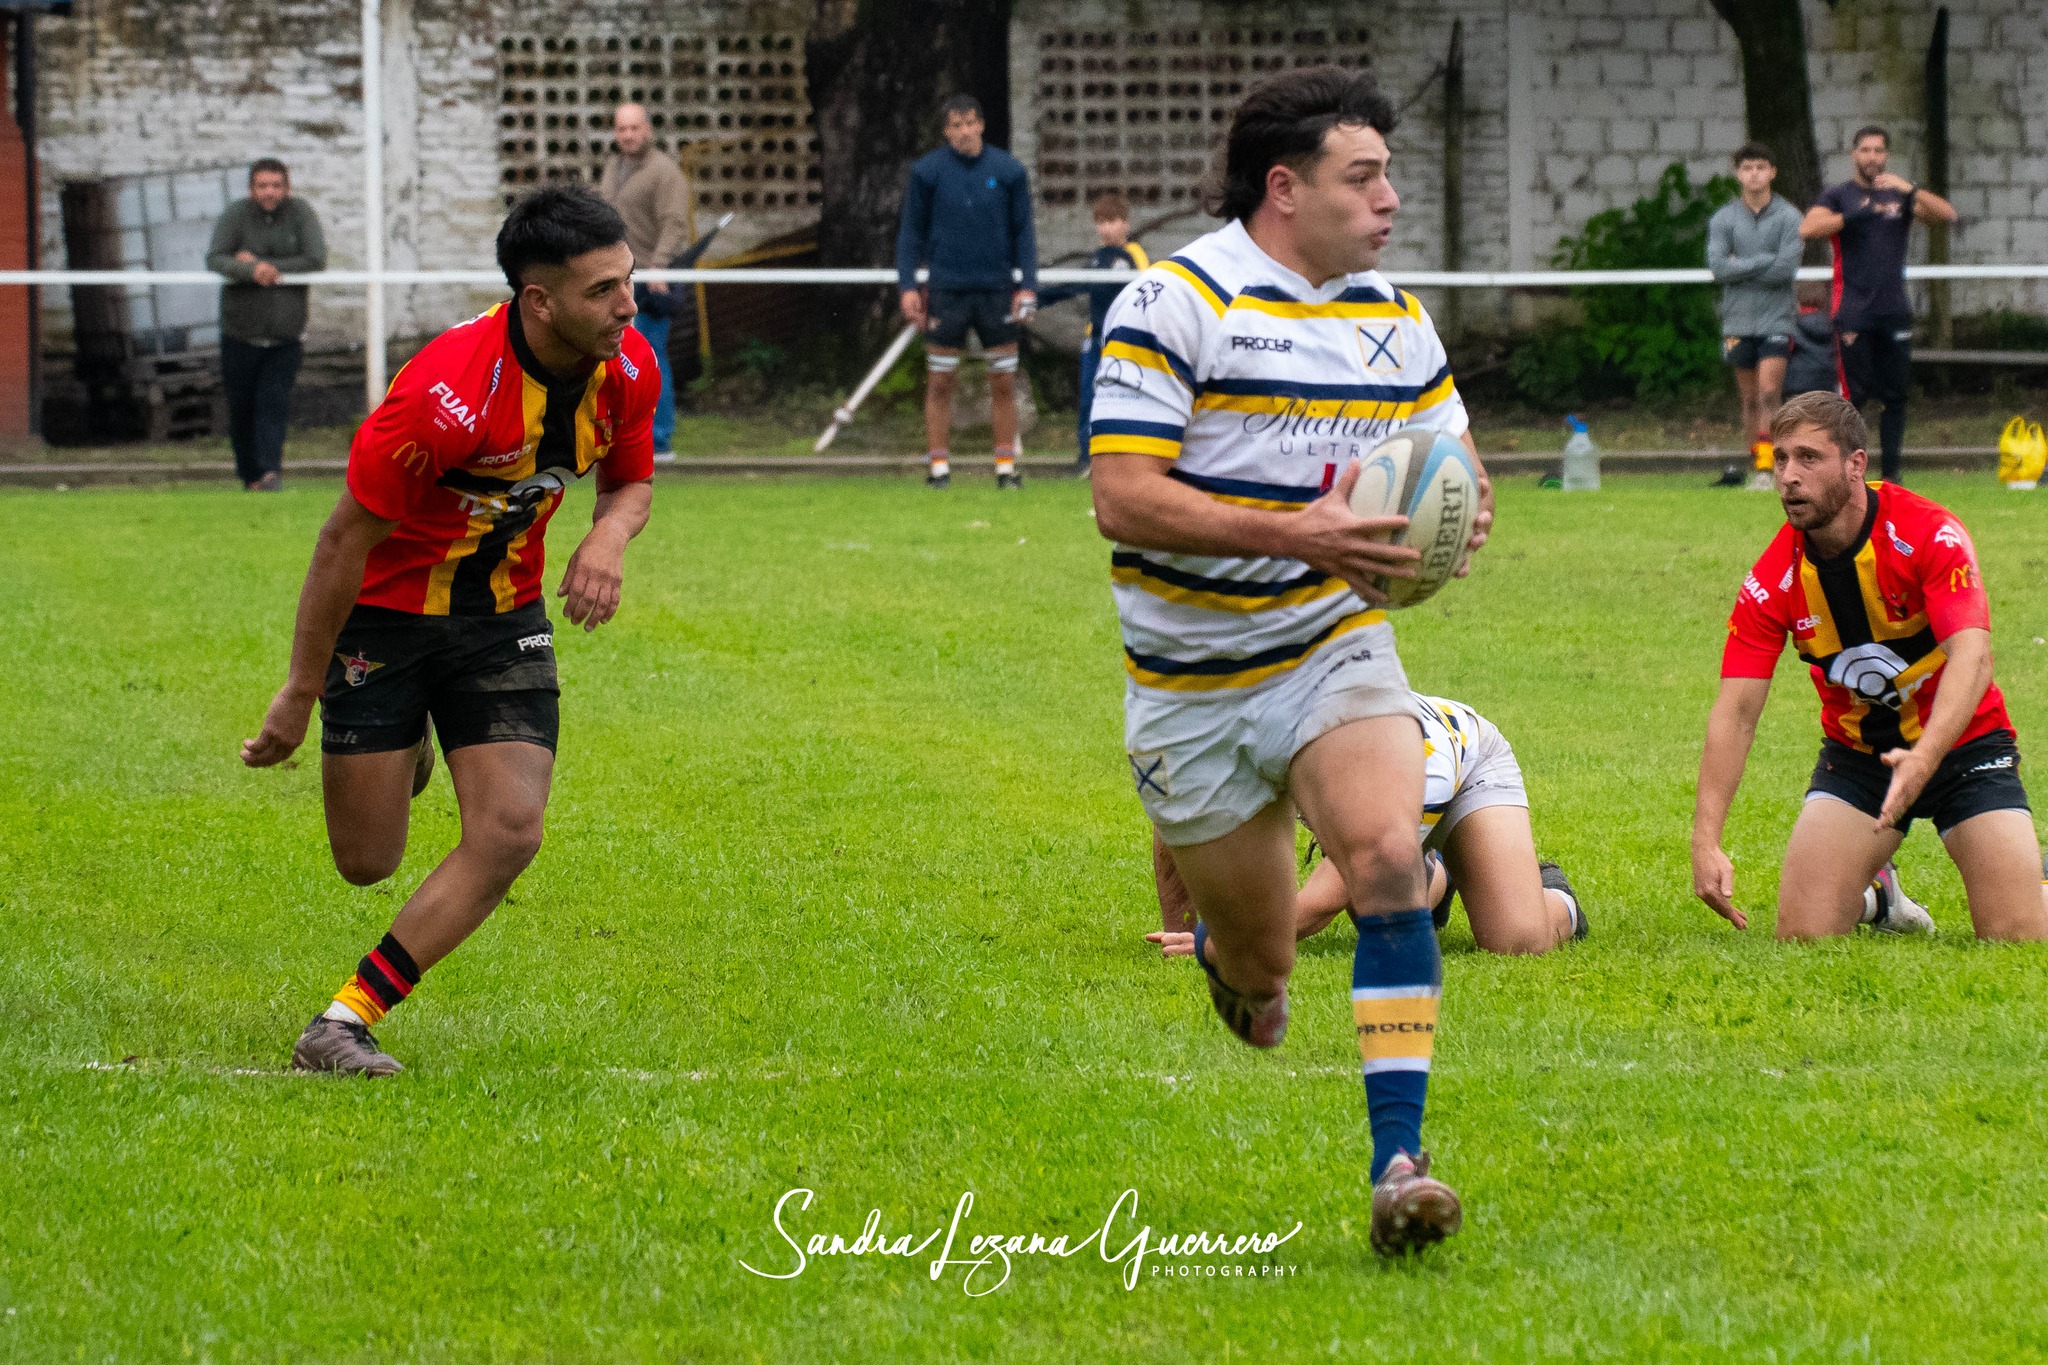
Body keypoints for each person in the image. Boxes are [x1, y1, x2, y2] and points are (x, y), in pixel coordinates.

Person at [1087, 65, 1493, 1255]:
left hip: (1329, 642)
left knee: (1381, 857)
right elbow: (1121, 497)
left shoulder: (1390, 315)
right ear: (1284, 188)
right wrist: (1295, 529)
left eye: (1386, 175)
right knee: (1266, 971)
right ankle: (1237, 963)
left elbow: (1452, 465)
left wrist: (1456, 526)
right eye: (1362, 177)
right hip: (1188, 687)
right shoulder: (1173, 304)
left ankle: (1397, 1162)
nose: (1389, 200)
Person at [240, 187, 659, 1075]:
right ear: (537, 301)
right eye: (604, 291)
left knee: (510, 830)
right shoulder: (443, 396)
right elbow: (341, 540)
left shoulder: (627, 369)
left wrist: (608, 536)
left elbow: (630, 484)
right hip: (386, 623)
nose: (629, 305)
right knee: (366, 859)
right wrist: (300, 690)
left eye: (629, 281)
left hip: (503, 619)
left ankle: (343, 1020)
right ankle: (409, 739)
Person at [1692, 391, 2048, 943]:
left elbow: (1973, 658)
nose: (1789, 476)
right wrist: (1705, 840)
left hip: (1965, 747)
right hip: (1860, 758)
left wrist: (1925, 756)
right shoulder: (1772, 581)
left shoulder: (1929, 531)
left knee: (2016, 934)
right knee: (1804, 935)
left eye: (1809, 458)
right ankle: (1879, 897)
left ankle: (2029, 878)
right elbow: (1736, 710)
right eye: (1781, 458)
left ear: (1856, 463)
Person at [1145, 692, 1587, 959]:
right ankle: (1436, 876)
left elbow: (1319, 902)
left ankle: (1554, 894)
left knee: (1515, 941)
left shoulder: (1403, 765)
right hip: (1378, 797)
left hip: (1467, 760)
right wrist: (1184, 931)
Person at [895, 94, 1038, 490]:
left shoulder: (1008, 170)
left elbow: (1024, 231)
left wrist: (1028, 285)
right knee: (941, 381)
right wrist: (908, 285)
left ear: (981, 125)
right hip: (946, 289)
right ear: (946, 131)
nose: (963, 132)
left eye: (969, 123)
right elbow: (911, 232)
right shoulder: (928, 172)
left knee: (1003, 381)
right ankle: (938, 467)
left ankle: (1006, 467)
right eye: (955, 126)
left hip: (996, 290)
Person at [1799, 126, 1957, 484]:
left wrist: (1910, 189)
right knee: (1853, 398)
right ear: (1854, 154)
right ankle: (1847, 474)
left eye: (1879, 150)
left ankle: (1892, 475)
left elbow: (1947, 215)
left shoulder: (1898, 196)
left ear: (1886, 155)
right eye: (1866, 150)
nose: (1873, 157)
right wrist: (1851, 217)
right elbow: (1808, 229)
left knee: (1895, 395)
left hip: (1893, 310)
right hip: (1853, 310)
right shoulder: (1840, 195)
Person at [205, 158, 327, 491]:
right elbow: (216, 257)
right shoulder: (235, 215)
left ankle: (271, 472)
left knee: (274, 404)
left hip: (285, 334)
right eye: (262, 185)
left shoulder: (300, 213)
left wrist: (261, 264)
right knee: (241, 407)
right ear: (251, 189)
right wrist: (248, 271)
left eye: (276, 185)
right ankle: (250, 476)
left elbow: (315, 258)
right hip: (240, 332)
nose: (269, 192)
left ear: (286, 188)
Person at [1706, 143, 1802, 490]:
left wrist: (1742, 266)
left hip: (1777, 318)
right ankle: (1755, 462)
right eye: (1748, 168)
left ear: (1773, 171)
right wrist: (1764, 260)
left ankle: (1771, 468)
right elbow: (1718, 268)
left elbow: (1784, 270)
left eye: (1761, 167)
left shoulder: (1790, 217)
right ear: (1738, 173)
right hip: (1736, 320)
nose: (1755, 174)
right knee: (1747, 398)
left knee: (1768, 391)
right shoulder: (1723, 219)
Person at [599, 103, 690, 458]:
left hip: (652, 282)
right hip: (617, 279)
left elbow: (675, 223)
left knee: (651, 357)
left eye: (634, 128)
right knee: (619, 361)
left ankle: (660, 439)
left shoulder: (664, 172)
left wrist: (659, 267)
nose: (628, 135)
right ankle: (625, 438)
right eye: (622, 129)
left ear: (648, 130)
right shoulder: (614, 167)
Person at [1037, 192, 1149, 474]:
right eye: (1101, 222)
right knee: (1089, 397)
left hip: (1123, 340)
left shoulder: (1134, 256)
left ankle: (1126, 459)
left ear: (1125, 223)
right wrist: (1037, 299)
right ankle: (1086, 457)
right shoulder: (1098, 257)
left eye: (1112, 221)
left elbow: (1145, 294)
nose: (1106, 228)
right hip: (1095, 338)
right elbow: (1076, 285)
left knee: (1126, 399)